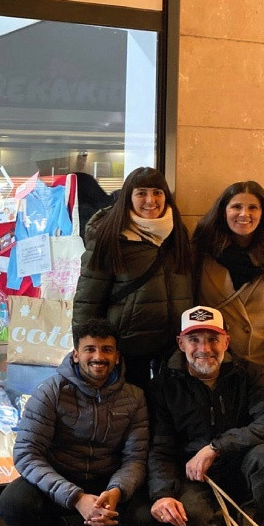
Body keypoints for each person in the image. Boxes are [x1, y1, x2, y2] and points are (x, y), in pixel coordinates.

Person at [146, 305, 264, 526]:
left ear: (226, 342)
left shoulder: (248, 374)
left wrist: (216, 447)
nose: (204, 349)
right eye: (194, 340)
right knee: (187, 519)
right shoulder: (163, 386)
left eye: (213, 339)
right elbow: (159, 449)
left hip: (243, 469)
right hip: (196, 478)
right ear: (180, 343)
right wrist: (162, 494)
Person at [0, 318, 156, 526]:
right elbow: (27, 453)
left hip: (108, 481)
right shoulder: (50, 392)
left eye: (107, 350)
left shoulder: (134, 397)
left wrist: (117, 490)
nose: (98, 357)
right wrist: (76, 497)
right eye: (89, 349)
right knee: (14, 506)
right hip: (59, 477)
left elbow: (136, 458)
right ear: (75, 355)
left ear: (117, 356)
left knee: (149, 521)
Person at [73, 166, 193, 389]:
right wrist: (83, 347)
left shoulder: (177, 233)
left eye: (157, 192)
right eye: (141, 193)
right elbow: (88, 299)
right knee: (131, 404)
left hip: (173, 347)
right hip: (128, 349)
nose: (150, 200)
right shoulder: (109, 236)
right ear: (128, 197)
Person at [192, 181, 264, 399]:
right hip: (212, 360)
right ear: (223, 211)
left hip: (262, 363)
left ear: (263, 214)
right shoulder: (201, 250)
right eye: (236, 207)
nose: (244, 214)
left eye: (253, 207)